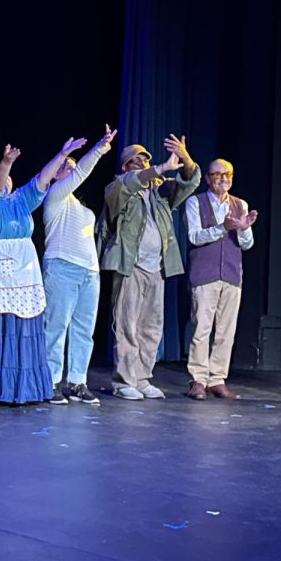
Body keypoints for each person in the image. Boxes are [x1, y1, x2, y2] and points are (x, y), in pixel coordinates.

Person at [0, 139, 83, 406]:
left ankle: (19, 388)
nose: (6, 181)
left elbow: (42, 181)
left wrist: (63, 153)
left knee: (18, 330)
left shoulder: (20, 202)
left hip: (21, 275)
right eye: (0, 178)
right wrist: (6, 163)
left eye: (9, 178)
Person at [98, 135, 201, 400]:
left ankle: (142, 378)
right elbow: (130, 184)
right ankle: (123, 381)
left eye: (145, 159)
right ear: (125, 166)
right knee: (127, 325)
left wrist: (185, 157)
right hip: (129, 266)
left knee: (152, 326)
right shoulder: (117, 187)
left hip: (156, 268)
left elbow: (190, 182)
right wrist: (160, 169)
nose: (142, 164)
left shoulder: (159, 192)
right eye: (136, 161)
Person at [41, 125, 116, 405]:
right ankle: (50, 382)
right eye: (67, 166)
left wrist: (93, 268)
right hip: (62, 266)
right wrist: (99, 148)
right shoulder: (55, 196)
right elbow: (83, 172)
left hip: (89, 271)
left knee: (84, 330)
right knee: (56, 326)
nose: (72, 170)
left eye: (74, 166)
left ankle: (77, 381)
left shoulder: (83, 209)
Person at [184, 158, 257, 400]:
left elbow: (247, 245)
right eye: (217, 174)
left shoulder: (240, 204)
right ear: (207, 178)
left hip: (232, 275)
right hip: (205, 275)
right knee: (201, 329)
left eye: (227, 174)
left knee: (226, 330)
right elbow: (194, 237)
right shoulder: (195, 202)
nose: (223, 178)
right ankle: (198, 379)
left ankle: (217, 379)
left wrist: (244, 228)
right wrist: (223, 228)